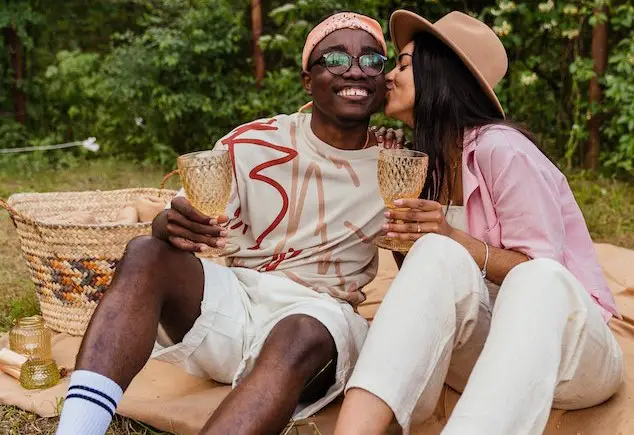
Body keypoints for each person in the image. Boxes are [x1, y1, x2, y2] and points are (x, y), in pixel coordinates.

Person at [56, 12, 392, 435]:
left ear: (385, 77)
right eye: (337, 59)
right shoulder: (255, 143)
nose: (356, 71)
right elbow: (178, 216)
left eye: (372, 61)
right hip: (238, 304)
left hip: (320, 323)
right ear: (308, 79)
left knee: (300, 330)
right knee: (145, 252)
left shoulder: (398, 165)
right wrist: (167, 225)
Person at [334, 10, 624, 435]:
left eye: (402, 65)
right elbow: (432, 285)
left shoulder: (502, 150)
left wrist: (453, 237)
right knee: (434, 253)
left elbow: (546, 280)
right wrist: (413, 238)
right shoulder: (424, 164)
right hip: (486, 355)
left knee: (536, 278)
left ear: (440, 75)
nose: (389, 77)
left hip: (569, 354)